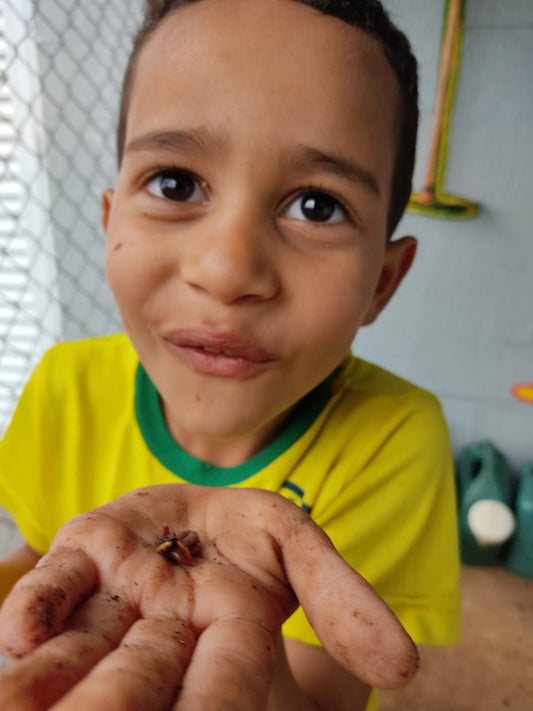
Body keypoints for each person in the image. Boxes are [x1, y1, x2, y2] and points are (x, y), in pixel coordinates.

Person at [0, 0, 461, 709]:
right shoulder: (65, 382)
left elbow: (325, 695)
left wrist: (248, 621)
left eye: (316, 205)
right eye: (174, 183)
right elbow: (38, 557)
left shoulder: (395, 437)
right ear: (108, 219)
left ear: (381, 282)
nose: (225, 269)